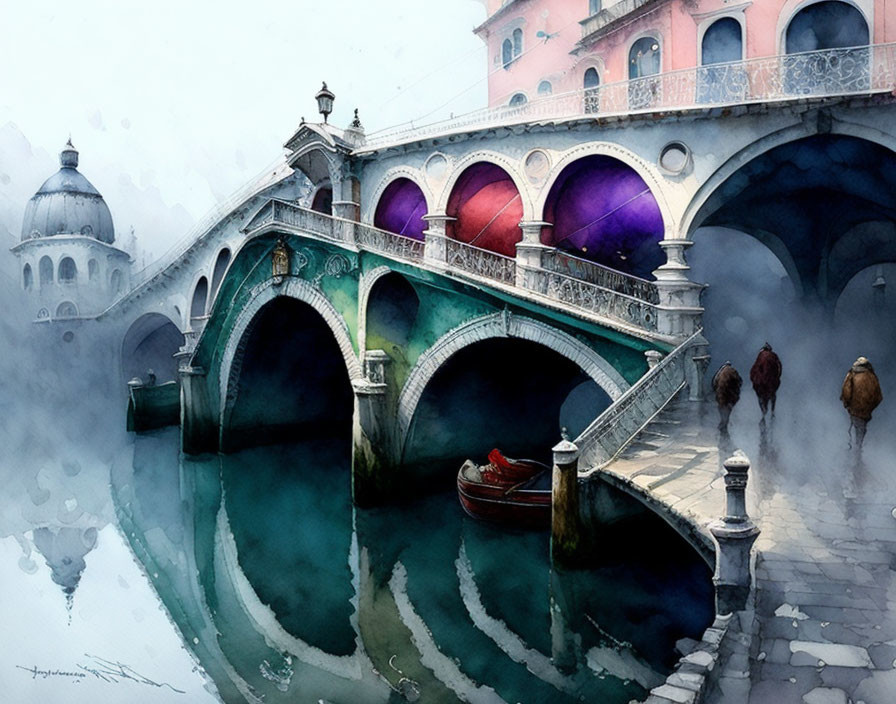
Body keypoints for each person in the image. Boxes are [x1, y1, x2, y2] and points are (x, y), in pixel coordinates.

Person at [840, 356, 883, 454]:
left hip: (854, 411)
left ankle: (855, 455)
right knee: (861, 431)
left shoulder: (852, 375)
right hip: (866, 412)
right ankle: (858, 453)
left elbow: (846, 393)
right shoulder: (872, 377)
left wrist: (847, 405)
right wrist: (870, 408)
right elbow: (878, 397)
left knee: (856, 429)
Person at [750, 343, 782, 420]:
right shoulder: (774, 356)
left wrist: (754, 382)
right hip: (771, 382)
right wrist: (777, 378)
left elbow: (753, 371)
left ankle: (763, 414)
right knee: (773, 395)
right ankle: (772, 412)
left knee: (760, 397)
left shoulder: (760, 356)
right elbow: (779, 368)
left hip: (760, 383)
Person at [712, 361, 742, 432]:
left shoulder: (720, 372)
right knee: (729, 408)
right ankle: (725, 422)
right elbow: (740, 381)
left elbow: (714, 382)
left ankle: (723, 422)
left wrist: (716, 391)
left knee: (722, 407)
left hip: (721, 393)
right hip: (731, 394)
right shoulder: (733, 371)